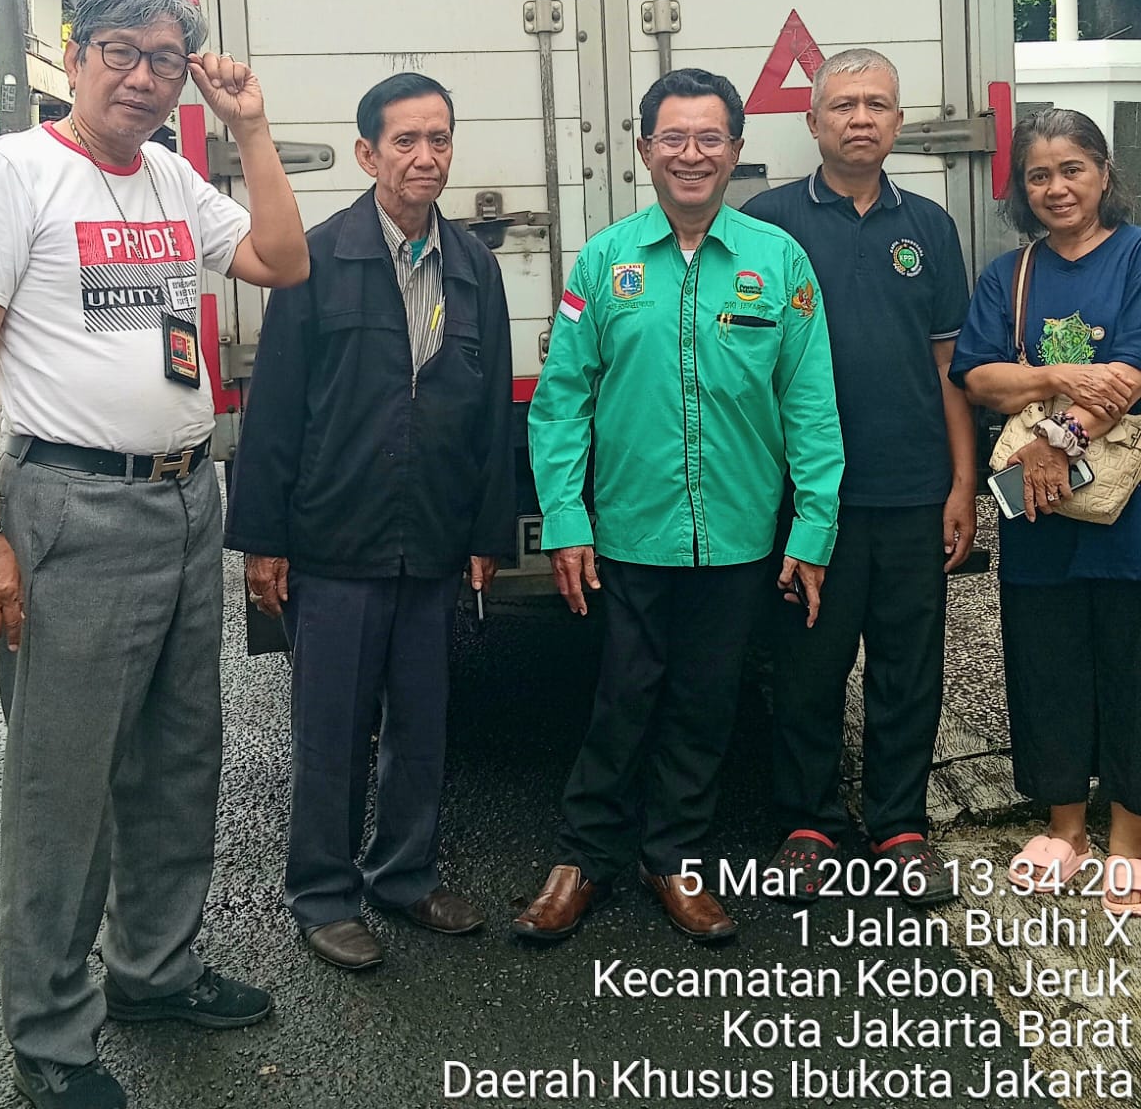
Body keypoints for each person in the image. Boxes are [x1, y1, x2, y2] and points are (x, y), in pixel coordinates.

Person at [0, 0, 310, 1109]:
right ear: (75, 52)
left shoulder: (170, 175)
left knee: (177, 762)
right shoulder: (12, 170)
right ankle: (51, 1035)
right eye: (120, 51)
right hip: (70, 505)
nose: (143, 75)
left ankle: (154, 970)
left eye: (165, 58)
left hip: (186, 499)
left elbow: (282, 263)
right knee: (64, 788)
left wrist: (249, 128)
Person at [513, 67, 843, 944]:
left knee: (706, 703)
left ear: (736, 151)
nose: (691, 155)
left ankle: (676, 859)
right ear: (644, 149)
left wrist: (813, 529)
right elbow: (562, 401)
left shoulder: (778, 263)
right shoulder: (605, 260)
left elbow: (810, 403)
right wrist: (567, 519)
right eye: (674, 138)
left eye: (709, 139)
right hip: (629, 532)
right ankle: (582, 859)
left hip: (737, 535)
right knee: (622, 697)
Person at [224, 72, 513, 973]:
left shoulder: (472, 265)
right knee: (333, 727)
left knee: (424, 722)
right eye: (404, 141)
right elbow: (274, 413)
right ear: (367, 153)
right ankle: (322, 892)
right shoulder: (316, 259)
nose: (425, 157)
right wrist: (264, 541)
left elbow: (492, 413)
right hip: (335, 536)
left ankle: (404, 875)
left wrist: (485, 536)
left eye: (439, 139)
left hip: (430, 536)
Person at [744, 49, 974, 904]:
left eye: (878, 103)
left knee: (910, 666)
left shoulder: (932, 226)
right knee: (808, 662)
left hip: (914, 488)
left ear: (899, 121)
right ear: (813, 123)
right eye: (843, 105)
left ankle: (901, 826)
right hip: (809, 500)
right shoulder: (767, 225)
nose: (861, 119)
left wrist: (961, 486)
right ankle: (807, 823)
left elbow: (949, 362)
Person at [950, 108, 1141, 910]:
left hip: (1125, 512)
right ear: (1020, 190)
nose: (1056, 188)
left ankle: (1129, 836)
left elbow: (1131, 373)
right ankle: (1065, 827)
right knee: (1046, 661)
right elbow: (976, 377)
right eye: (1038, 175)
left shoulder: (1135, 257)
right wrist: (1062, 382)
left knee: (1131, 665)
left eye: (1072, 169)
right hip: (1036, 514)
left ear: (1104, 173)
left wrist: (1054, 438)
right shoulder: (1010, 274)